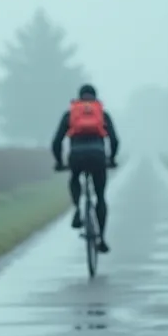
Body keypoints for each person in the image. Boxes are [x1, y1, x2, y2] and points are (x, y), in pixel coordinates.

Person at [52, 84, 119, 252]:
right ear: (95, 98)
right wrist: (112, 159)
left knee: (74, 179)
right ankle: (101, 240)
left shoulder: (70, 115)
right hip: (98, 157)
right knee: (100, 197)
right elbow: (115, 140)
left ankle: (77, 209)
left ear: (79, 97)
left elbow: (56, 142)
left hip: (76, 157)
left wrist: (59, 162)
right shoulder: (102, 115)